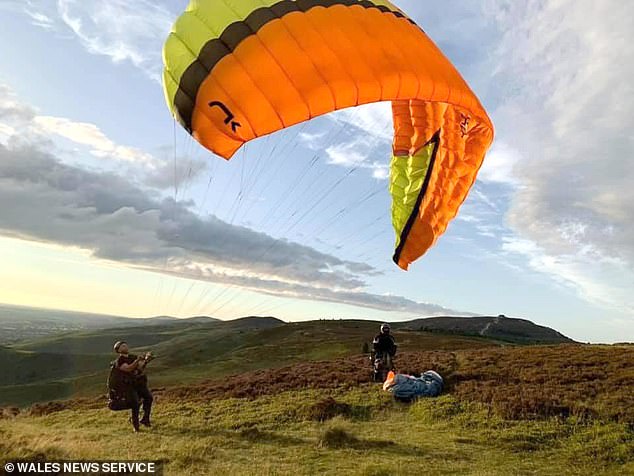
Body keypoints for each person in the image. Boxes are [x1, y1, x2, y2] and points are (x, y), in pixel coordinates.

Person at [113, 341, 154, 432]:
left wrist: (146, 361)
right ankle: (136, 426)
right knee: (135, 404)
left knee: (149, 398)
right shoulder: (119, 361)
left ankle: (145, 419)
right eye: (123, 346)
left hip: (137, 383)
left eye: (126, 345)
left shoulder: (132, 357)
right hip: (127, 386)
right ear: (118, 350)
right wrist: (137, 360)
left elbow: (139, 368)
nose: (126, 347)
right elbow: (128, 368)